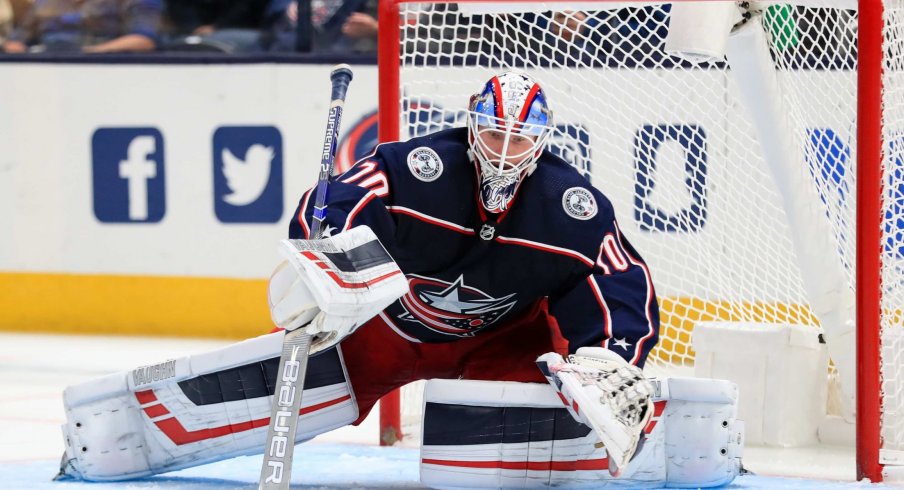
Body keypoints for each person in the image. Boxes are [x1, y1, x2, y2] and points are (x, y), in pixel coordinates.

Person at [58, 73, 747, 489]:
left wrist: (612, 355)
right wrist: (322, 260)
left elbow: (621, 280)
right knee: (297, 368)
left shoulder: (573, 206)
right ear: (471, 125)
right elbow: (338, 199)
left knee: (531, 431)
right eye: (493, 132)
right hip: (393, 328)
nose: (504, 150)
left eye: (519, 138)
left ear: (543, 140)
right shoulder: (418, 165)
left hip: (503, 346)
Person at [1, 0, 162, 54]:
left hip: (104, 73)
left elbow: (144, 39)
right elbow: (18, 40)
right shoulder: (46, 2)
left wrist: (87, 54)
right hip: (43, 77)